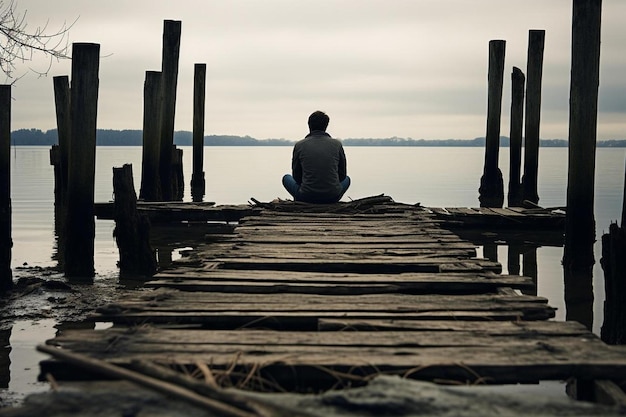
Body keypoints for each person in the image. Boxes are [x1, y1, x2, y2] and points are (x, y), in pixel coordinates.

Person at [282, 111, 351, 204]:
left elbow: (296, 176)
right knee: (347, 179)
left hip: (306, 196)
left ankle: (300, 202)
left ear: (309, 125)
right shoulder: (337, 144)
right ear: (326, 126)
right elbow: (342, 175)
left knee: (286, 178)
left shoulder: (299, 145)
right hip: (332, 196)